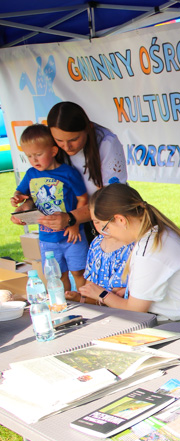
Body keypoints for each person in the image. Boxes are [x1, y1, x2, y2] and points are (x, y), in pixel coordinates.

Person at [78, 183, 180, 326]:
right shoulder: (155, 234)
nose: (107, 234)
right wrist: (130, 291)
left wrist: (102, 294)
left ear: (120, 220)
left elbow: (135, 310)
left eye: (106, 228)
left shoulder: (150, 249)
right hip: (176, 317)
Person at [10, 124, 87, 291]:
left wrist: (74, 223)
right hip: (47, 238)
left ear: (53, 151)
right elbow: (21, 192)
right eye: (29, 156)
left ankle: (86, 302)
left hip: (71, 235)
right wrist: (17, 199)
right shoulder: (31, 173)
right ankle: (66, 303)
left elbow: (83, 198)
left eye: (38, 154)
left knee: (78, 272)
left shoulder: (68, 173)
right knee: (58, 275)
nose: (34, 160)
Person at [43, 101, 127, 237]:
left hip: (106, 219)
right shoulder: (52, 145)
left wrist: (71, 218)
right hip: (74, 219)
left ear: (88, 128)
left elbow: (111, 197)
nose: (66, 146)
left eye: (73, 139)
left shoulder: (107, 142)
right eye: (59, 140)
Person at [67, 226, 133, 305]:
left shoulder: (129, 248)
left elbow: (116, 297)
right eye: (97, 222)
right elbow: (89, 285)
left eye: (106, 222)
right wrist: (81, 296)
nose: (102, 227)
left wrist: (81, 299)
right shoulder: (96, 242)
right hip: (96, 303)